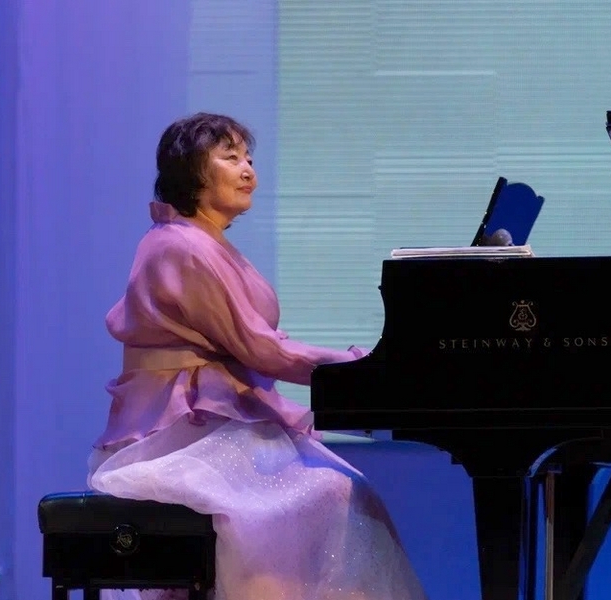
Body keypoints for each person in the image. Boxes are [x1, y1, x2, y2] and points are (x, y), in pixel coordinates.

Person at [87, 112, 428, 600]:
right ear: (191, 170)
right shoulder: (180, 246)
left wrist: (361, 366)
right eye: (230, 157)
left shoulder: (206, 241)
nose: (248, 169)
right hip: (179, 430)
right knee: (317, 495)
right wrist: (359, 364)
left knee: (343, 491)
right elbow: (260, 348)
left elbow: (260, 344)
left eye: (249, 158)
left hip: (216, 420)